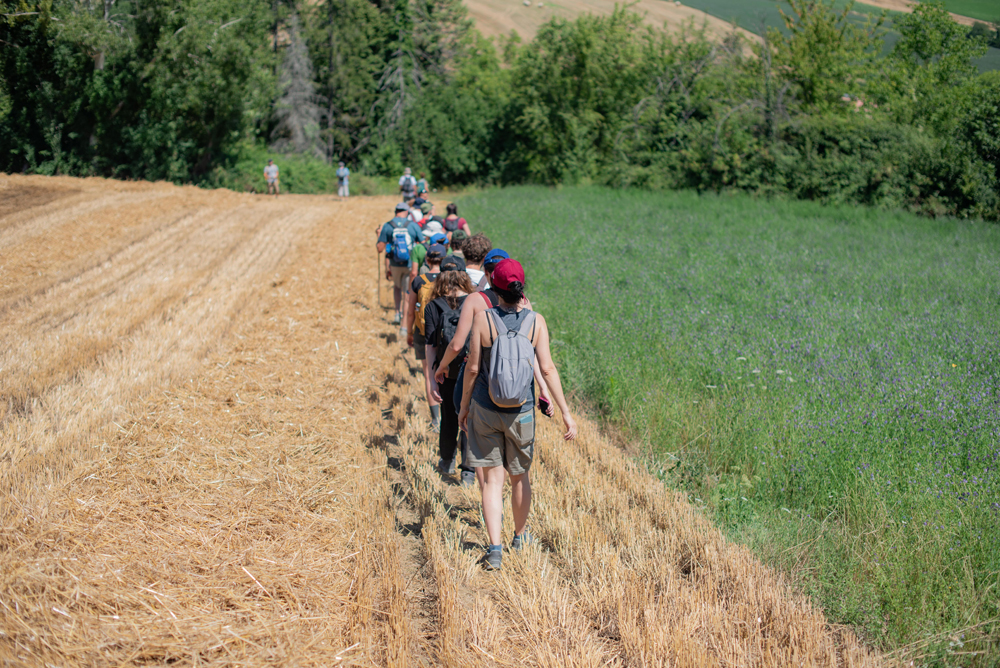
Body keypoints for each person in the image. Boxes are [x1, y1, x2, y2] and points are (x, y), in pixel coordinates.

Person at [459, 259, 576, 571]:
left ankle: (494, 549)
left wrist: (464, 407)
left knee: (492, 480)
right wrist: (566, 413)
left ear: (494, 288)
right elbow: (547, 369)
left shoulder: (483, 319)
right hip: (521, 411)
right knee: (520, 476)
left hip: (485, 407)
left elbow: (473, 368)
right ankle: (519, 537)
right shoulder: (536, 322)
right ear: (521, 289)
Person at [425, 261, 476, 482]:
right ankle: (468, 471)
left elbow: (431, 346)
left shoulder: (433, 306)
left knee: (448, 416)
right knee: (469, 417)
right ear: (464, 275)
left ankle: (446, 460)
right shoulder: (475, 303)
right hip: (471, 371)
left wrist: (432, 377)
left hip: (445, 373)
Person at [403, 244, 446, 432]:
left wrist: (409, 332)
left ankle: (436, 420)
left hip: (423, 333)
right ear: (443, 260)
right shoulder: (449, 280)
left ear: (427, 260)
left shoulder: (419, 281)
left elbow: (411, 310)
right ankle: (448, 415)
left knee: (429, 375)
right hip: (445, 334)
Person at [376, 202, 424, 325]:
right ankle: (404, 317)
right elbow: (422, 244)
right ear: (407, 212)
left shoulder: (388, 226)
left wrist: (378, 235)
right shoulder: (413, 225)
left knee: (397, 287)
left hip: (394, 264)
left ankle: (397, 313)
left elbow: (380, 248)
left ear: (396, 211)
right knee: (407, 291)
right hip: (410, 264)